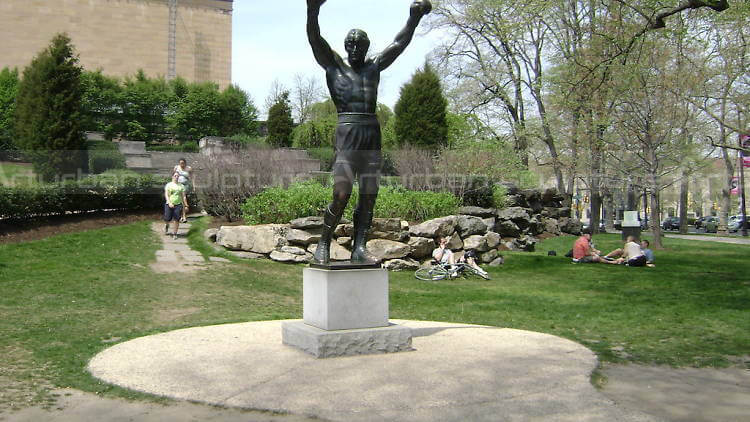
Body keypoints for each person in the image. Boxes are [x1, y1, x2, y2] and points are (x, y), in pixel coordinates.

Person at [307, 0, 432, 264]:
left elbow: (399, 44)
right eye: (350, 44)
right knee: (341, 193)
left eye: (359, 45)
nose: (354, 48)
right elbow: (315, 38)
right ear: (344, 46)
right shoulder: (334, 66)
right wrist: (313, 9)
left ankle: (359, 247)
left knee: (369, 193)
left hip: (371, 133)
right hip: (348, 131)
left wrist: (414, 18)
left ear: (366, 47)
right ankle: (323, 242)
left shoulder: (373, 67)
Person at [164, 172, 188, 240]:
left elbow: (183, 196)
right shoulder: (169, 185)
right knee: (167, 218)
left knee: (176, 219)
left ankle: (175, 234)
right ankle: (166, 225)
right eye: (175, 176)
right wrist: (169, 203)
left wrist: (186, 205)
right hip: (169, 204)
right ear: (172, 176)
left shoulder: (181, 186)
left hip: (178, 204)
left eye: (178, 176)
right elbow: (167, 195)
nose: (176, 177)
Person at [173, 158, 192, 223]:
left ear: (185, 163)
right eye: (180, 163)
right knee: (179, 200)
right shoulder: (176, 168)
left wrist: (193, 185)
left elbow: (192, 177)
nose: (182, 164)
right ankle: (180, 216)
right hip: (178, 186)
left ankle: (183, 216)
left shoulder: (188, 168)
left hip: (185, 186)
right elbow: (173, 176)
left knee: (183, 200)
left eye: (183, 163)